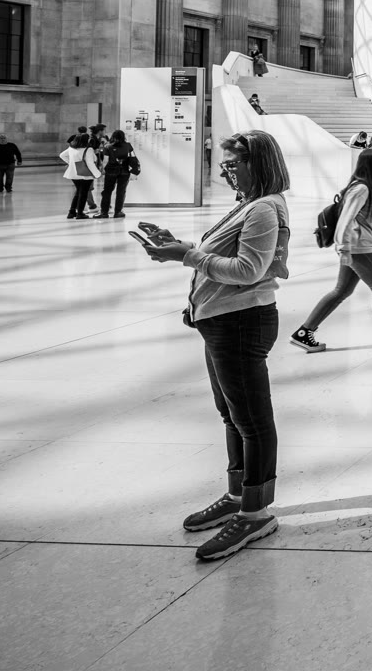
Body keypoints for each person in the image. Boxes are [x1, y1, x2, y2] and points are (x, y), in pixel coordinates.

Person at [133, 129, 290, 563]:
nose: (226, 172)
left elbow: (247, 270)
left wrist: (186, 256)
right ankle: (238, 494)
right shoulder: (247, 204)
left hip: (242, 321)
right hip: (220, 320)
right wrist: (179, 245)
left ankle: (256, 513)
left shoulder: (264, 208)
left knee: (251, 420)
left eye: (233, 163)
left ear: (258, 163)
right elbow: (219, 256)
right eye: (224, 164)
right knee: (232, 415)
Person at [292, 148, 372, 352]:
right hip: (359, 247)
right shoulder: (361, 189)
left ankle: (304, 332)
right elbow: (345, 219)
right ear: (368, 165)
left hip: (359, 246)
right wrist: (343, 248)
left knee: (342, 291)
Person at [59, 129, 101, 218]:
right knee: (83, 193)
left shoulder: (71, 148)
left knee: (78, 192)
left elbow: (62, 155)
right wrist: (98, 174)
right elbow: (90, 164)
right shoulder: (88, 149)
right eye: (88, 138)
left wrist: (71, 163)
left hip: (73, 173)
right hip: (85, 174)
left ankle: (72, 212)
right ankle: (80, 213)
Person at [98, 129, 139, 218]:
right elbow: (133, 158)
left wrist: (103, 171)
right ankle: (118, 212)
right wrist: (134, 171)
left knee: (107, 191)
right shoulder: (128, 146)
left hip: (111, 171)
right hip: (124, 171)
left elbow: (105, 161)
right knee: (121, 192)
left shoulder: (108, 146)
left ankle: (104, 212)